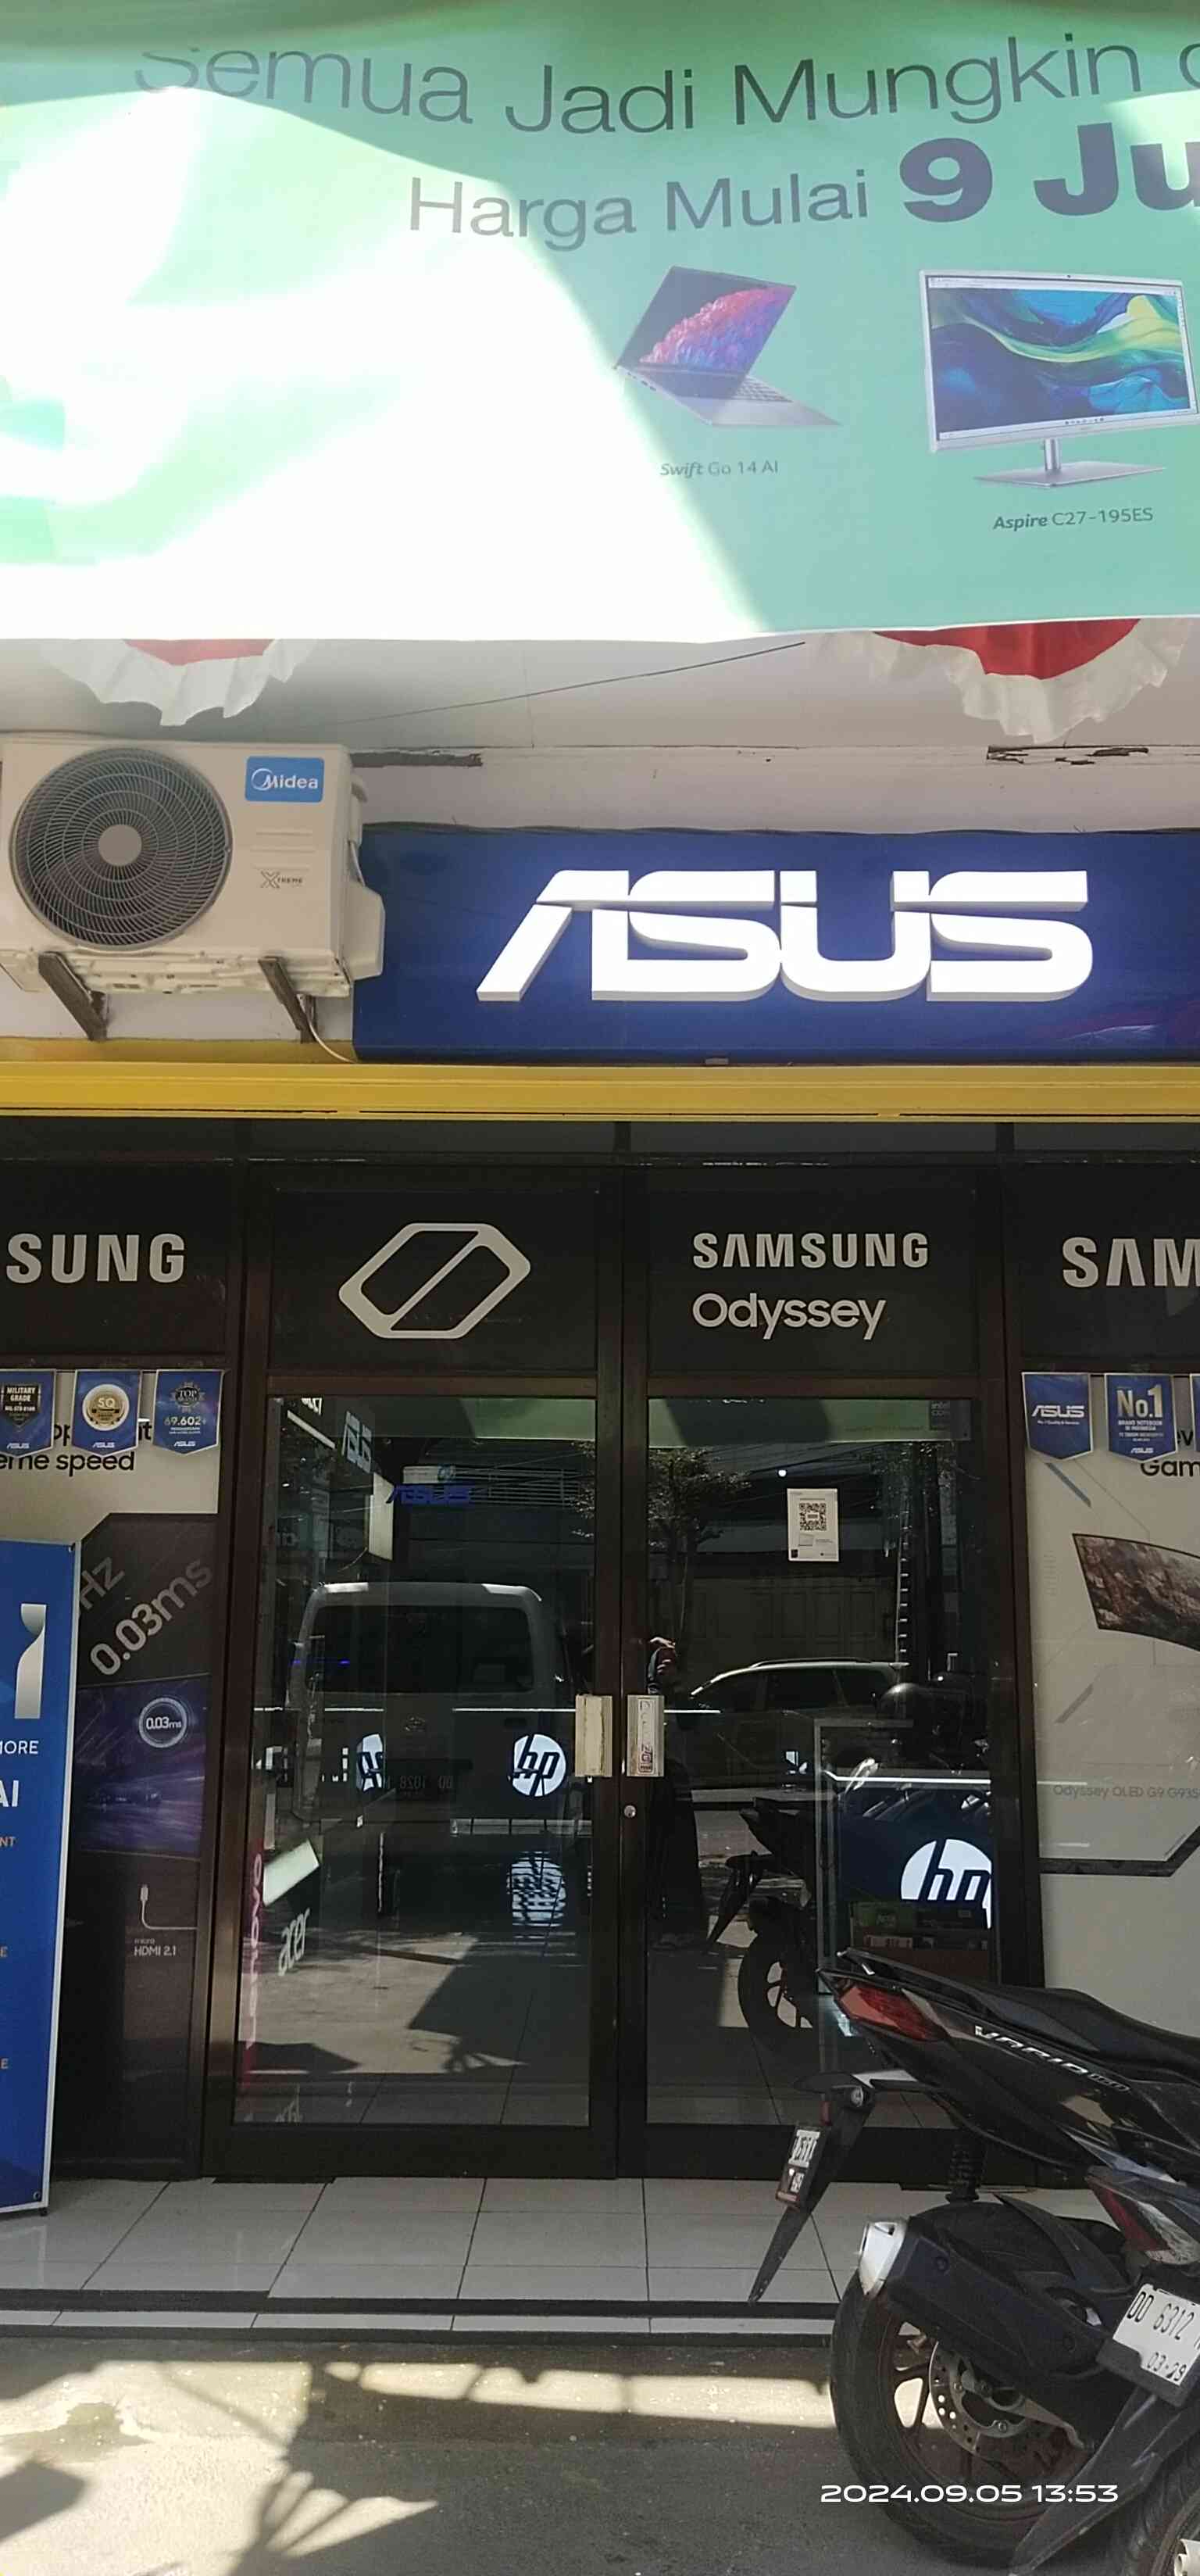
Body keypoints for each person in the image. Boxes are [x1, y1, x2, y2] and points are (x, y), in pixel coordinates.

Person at [645, 1637, 707, 1942]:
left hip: (676, 1783)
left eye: (671, 1660)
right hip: (652, 1784)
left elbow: (691, 1724)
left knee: (679, 1857)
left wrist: (678, 1688)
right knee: (654, 1856)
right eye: (660, 1660)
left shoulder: (682, 1698)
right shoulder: (646, 1696)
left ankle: (683, 1925)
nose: (665, 1666)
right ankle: (657, 1921)